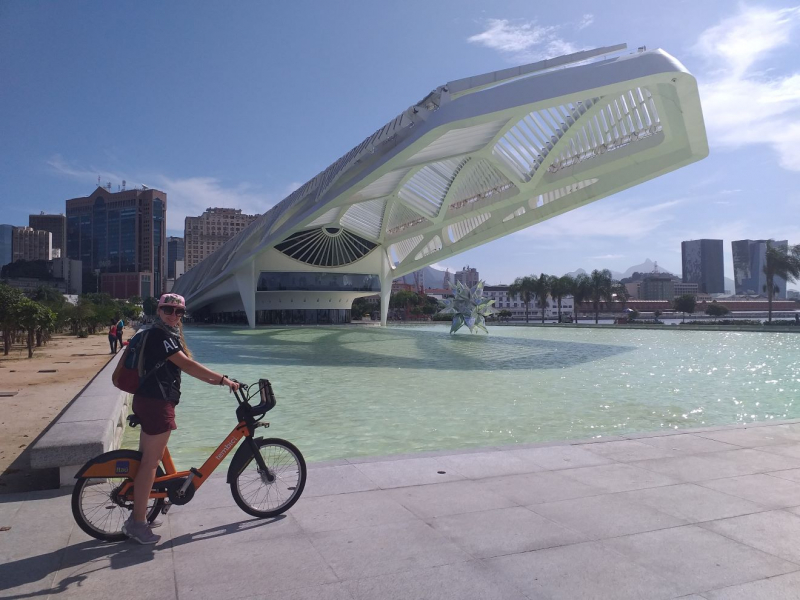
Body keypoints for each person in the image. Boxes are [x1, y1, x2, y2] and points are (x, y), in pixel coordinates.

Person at [123, 293, 239, 545]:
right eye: (168, 310)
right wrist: (223, 380)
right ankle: (137, 523)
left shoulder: (162, 334)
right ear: (159, 310)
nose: (173, 315)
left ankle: (142, 511)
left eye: (179, 312)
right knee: (150, 464)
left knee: (145, 460)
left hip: (148, 400)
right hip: (156, 403)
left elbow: (185, 367)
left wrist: (217, 381)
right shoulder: (161, 336)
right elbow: (187, 365)